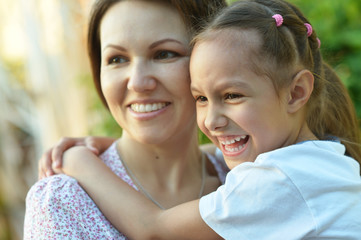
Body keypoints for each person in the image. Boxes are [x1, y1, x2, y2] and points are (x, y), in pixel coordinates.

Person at [50, 0, 361, 239]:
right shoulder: (325, 159)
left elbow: (153, 229)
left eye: (232, 96)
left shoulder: (277, 181)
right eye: (201, 98)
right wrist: (114, 148)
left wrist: (79, 161)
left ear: (296, 93)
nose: (211, 120)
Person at [24, 0, 229, 239]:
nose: (138, 82)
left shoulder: (243, 178)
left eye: (164, 54)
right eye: (117, 59)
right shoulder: (63, 201)